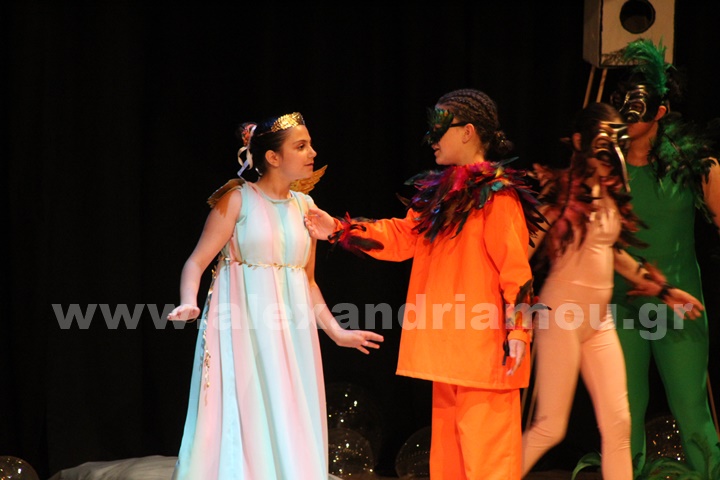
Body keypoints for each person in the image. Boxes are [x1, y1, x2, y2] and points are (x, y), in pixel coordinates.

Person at [305, 88, 545, 480]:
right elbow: (402, 237)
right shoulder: (441, 196)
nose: (431, 138)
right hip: (449, 352)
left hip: (485, 354)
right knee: (448, 465)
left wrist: (518, 331)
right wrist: (339, 229)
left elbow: (515, 271)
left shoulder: (497, 197)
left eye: (440, 127)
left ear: (468, 132)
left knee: (489, 464)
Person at [167, 112, 384, 480]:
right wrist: (189, 300)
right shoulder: (238, 199)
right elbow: (196, 262)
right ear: (272, 157)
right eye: (301, 146)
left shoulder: (307, 206)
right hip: (242, 326)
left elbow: (308, 281)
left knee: (288, 408)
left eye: (310, 144)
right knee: (245, 407)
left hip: (292, 331)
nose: (312, 153)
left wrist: (336, 332)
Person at [520, 102, 703, 479]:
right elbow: (522, 248)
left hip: (598, 320)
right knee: (551, 426)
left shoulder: (606, 195)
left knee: (619, 424)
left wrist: (665, 291)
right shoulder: (561, 194)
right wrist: (510, 298)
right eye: (603, 144)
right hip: (563, 315)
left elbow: (614, 254)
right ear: (579, 141)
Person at [608, 38, 720, 472]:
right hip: (622, 303)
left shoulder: (696, 166)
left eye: (637, 108)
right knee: (624, 412)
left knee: (691, 408)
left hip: (680, 302)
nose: (627, 116)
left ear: (659, 112)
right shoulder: (605, 168)